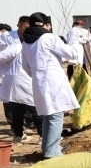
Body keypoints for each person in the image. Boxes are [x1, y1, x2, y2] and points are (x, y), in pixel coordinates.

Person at [20, 12, 81, 159]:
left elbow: (25, 66)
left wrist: (38, 75)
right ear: (46, 24)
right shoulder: (48, 37)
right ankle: (52, 152)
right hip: (53, 81)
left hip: (39, 82)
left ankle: (48, 148)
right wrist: (76, 40)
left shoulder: (26, 42)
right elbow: (71, 52)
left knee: (48, 116)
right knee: (56, 116)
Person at [0, 16, 41, 142]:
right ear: (19, 25)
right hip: (18, 76)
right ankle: (44, 135)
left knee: (18, 106)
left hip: (22, 76)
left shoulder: (32, 38)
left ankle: (18, 133)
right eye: (25, 27)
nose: (28, 30)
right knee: (33, 106)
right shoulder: (10, 40)